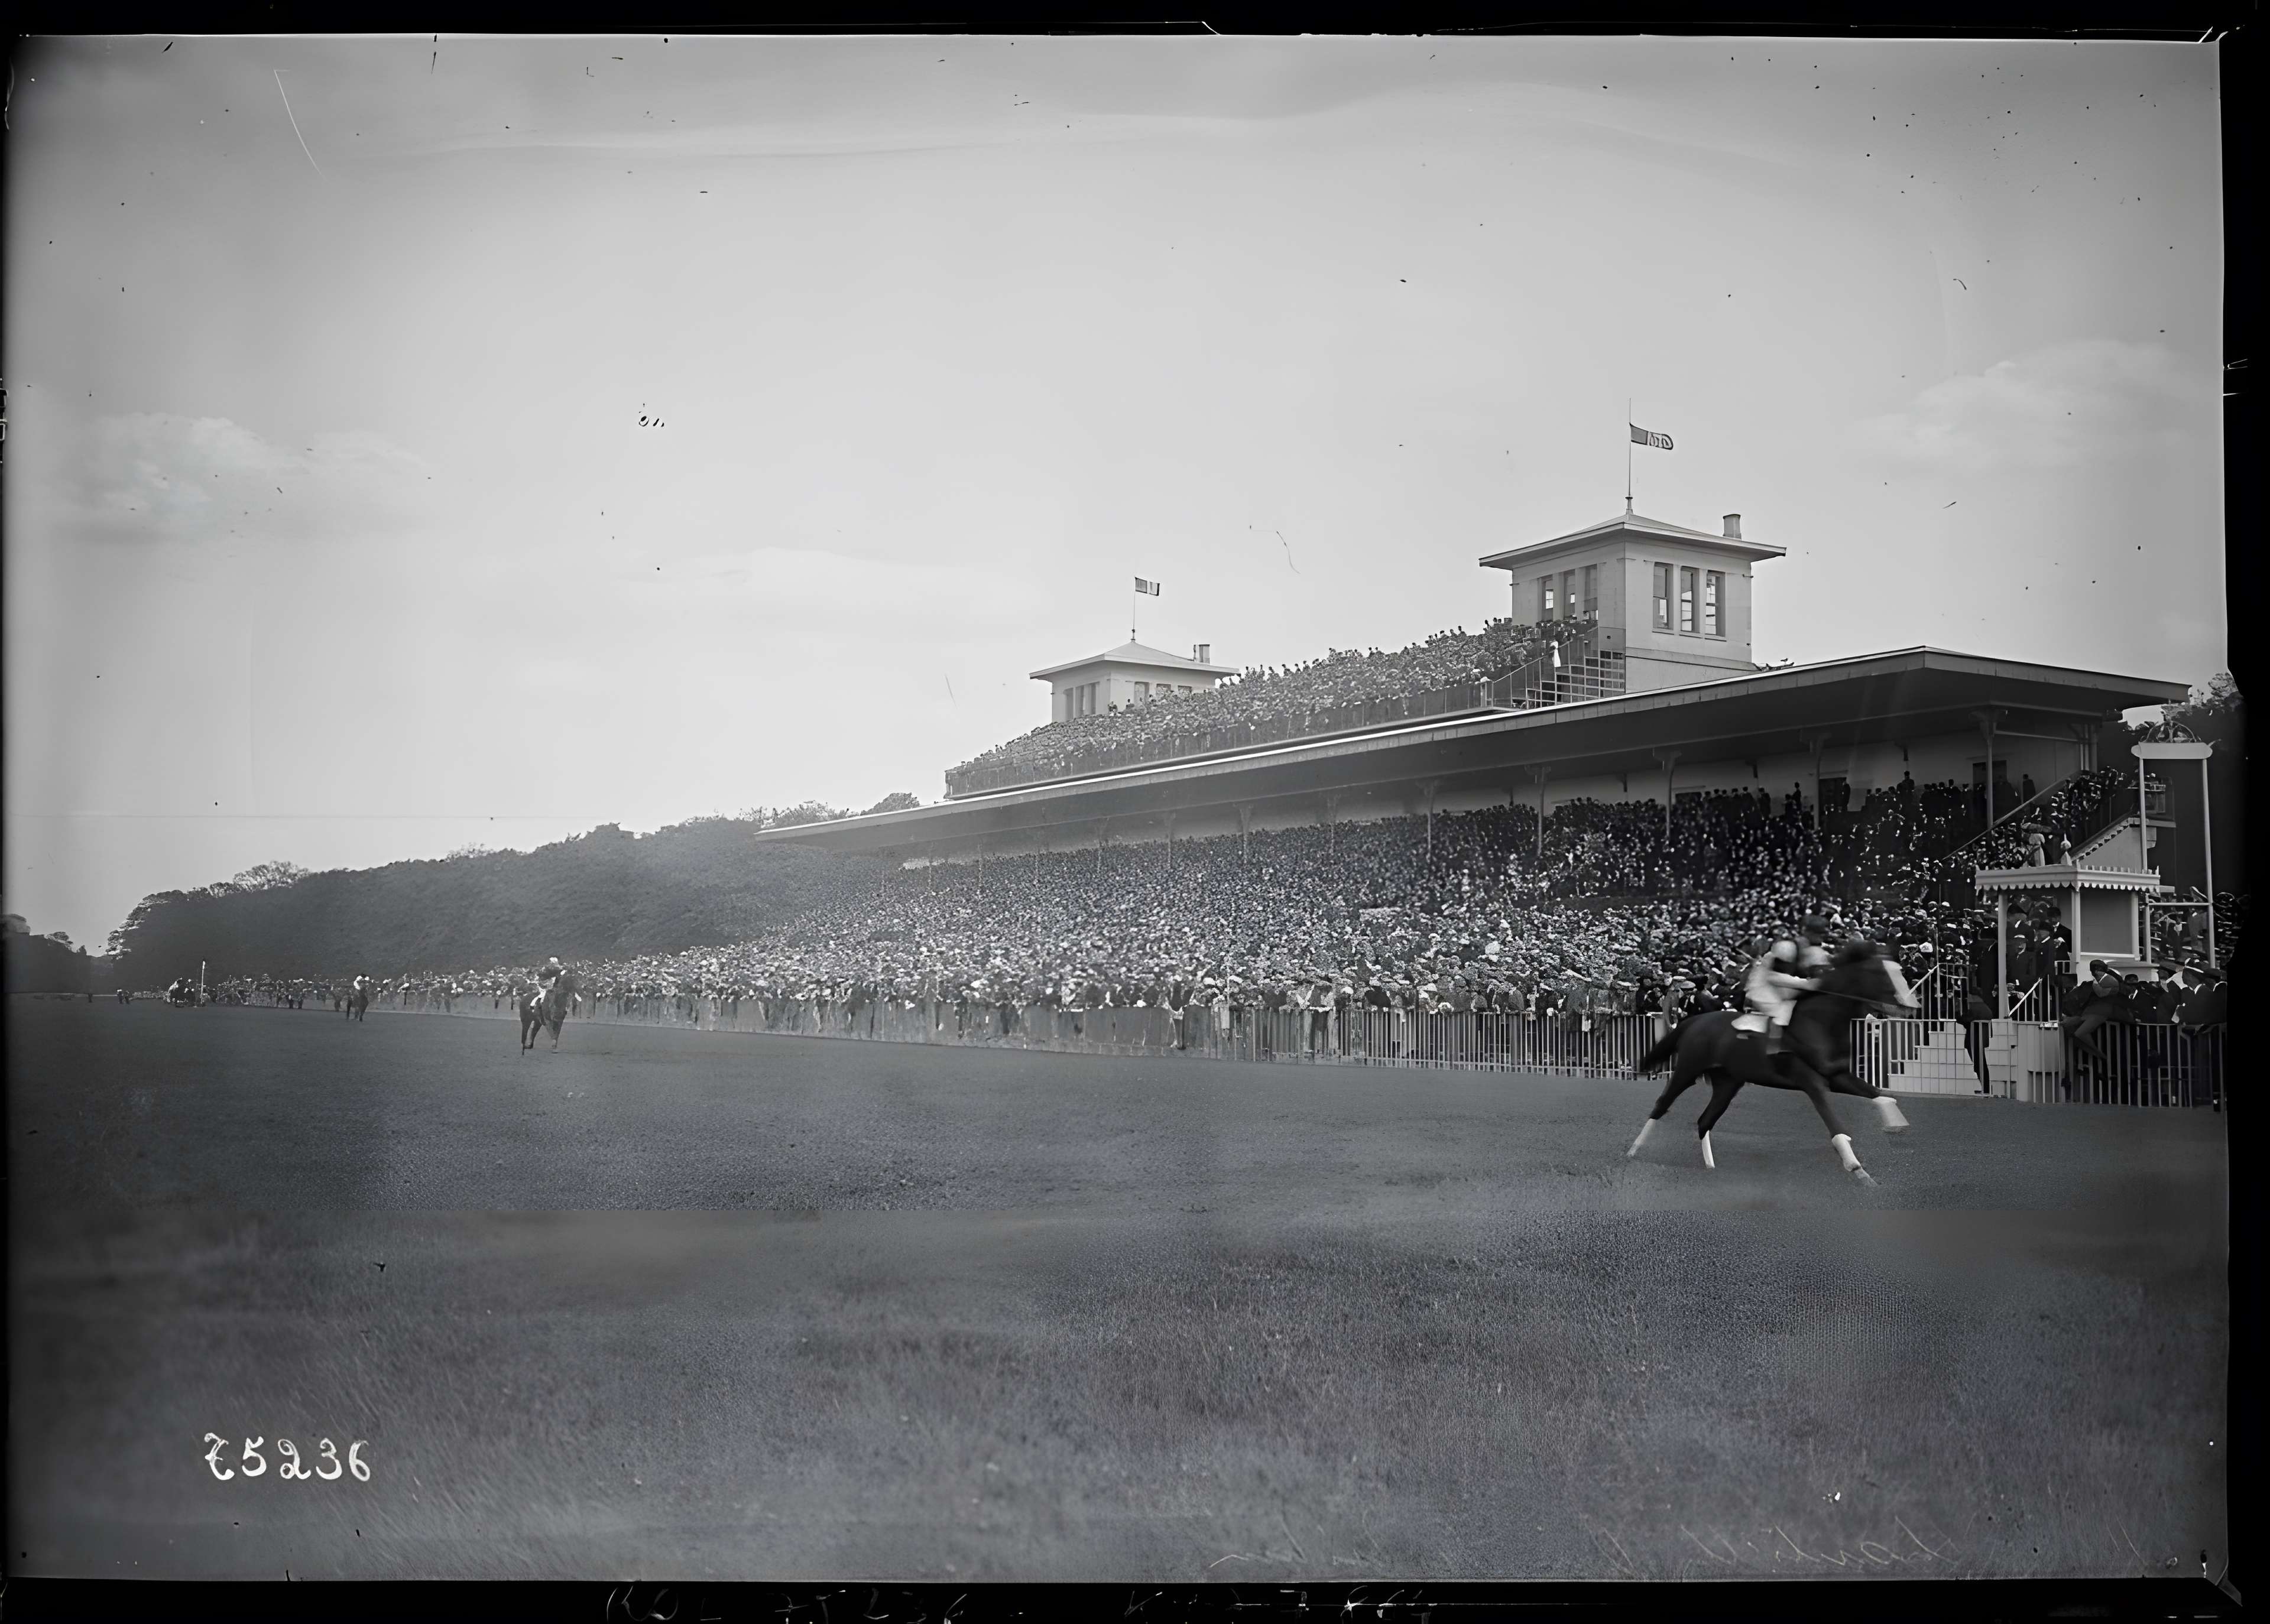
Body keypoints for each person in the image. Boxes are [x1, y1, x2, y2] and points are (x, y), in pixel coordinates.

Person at [1741, 912, 1831, 1055]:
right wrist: (1806, 984)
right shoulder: (1786, 947)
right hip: (1764, 986)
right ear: (1806, 932)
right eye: (1817, 934)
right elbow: (1773, 977)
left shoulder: (1816, 951)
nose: (1821, 938)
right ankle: (1771, 1052)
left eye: (1823, 934)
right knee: (1784, 1012)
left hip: (1788, 987)